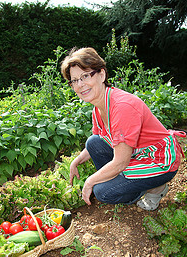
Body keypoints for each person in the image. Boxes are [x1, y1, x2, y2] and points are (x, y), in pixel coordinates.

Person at [61, 47, 186, 210]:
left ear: (102, 74)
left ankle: (155, 188)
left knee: (102, 192)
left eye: (85, 76)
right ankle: (126, 180)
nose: (80, 85)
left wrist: (90, 181)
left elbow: (120, 162)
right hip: (136, 154)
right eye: (74, 80)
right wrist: (75, 162)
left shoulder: (122, 107)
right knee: (93, 142)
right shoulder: (98, 108)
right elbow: (98, 142)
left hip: (158, 160)